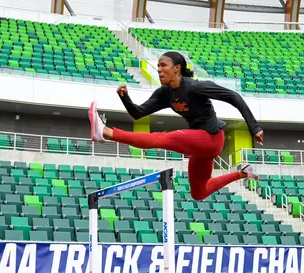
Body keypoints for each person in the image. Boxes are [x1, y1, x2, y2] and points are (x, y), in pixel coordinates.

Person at [88, 51, 263, 201]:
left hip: (211, 138)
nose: (159, 69)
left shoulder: (195, 87)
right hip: (199, 146)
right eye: (158, 66)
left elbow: (234, 97)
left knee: (163, 138)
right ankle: (243, 173)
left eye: (163, 65)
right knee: (199, 193)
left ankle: (105, 132)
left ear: (176, 68)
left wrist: (254, 127)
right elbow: (138, 113)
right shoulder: (165, 93)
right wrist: (125, 98)